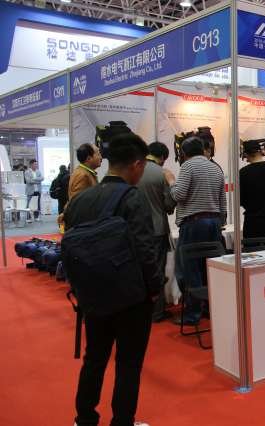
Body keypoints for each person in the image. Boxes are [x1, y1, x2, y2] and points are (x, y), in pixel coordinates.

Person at [64, 133, 161, 426]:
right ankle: (122, 421)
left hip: (92, 294)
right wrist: (154, 289)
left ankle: (84, 419)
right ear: (136, 164)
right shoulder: (132, 197)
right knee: (128, 363)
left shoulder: (80, 200)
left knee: (94, 358)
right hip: (131, 296)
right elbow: (145, 250)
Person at [169, 136, 226, 326]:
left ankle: (192, 314)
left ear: (184, 152)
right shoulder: (215, 168)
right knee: (209, 266)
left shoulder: (188, 166)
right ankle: (210, 308)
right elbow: (222, 200)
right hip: (214, 222)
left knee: (189, 268)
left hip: (194, 223)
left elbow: (179, 194)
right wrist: (220, 221)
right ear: (203, 149)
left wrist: (171, 182)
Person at [137, 142, 176, 323]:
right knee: (157, 270)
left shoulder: (133, 169)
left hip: (135, 228)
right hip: (157, 229)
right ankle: (157, 312)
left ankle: (140, 310)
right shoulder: (161, 173)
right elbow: (169, 205)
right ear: (162, 157)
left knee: (139, 270)